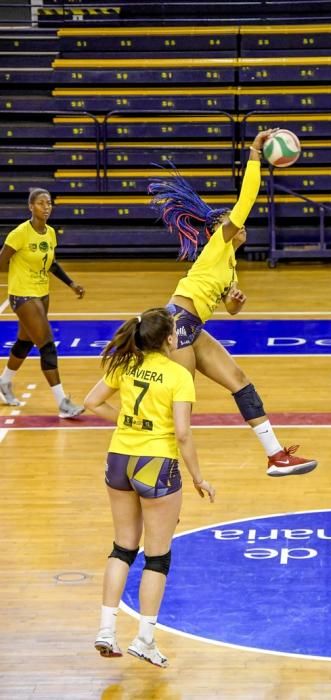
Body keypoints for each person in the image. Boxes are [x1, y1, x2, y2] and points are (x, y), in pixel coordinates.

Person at [148, 129, 318, 477]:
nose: (239, 225)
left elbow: (231, 308)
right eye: (231, 221)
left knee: (239, 380)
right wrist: (255, 152)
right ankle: (156, 463)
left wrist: (236, 299)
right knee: (180, 400)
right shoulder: (217, 246)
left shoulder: (230, 266)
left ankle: (275, 456)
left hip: (193, 327)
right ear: (220, 230)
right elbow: (247, 200)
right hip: (177, 323)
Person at [84, 307, 215, 667]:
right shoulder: (178, 375)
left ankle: (106, 631)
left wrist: (130, 423)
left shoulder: (123, 364)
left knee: (122, 548)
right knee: (157, 557)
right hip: (156, 463)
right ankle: (144, 639)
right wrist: (199, 477)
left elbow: (91, 403)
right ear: (170, 339)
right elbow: (183, 434)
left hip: (119, 459)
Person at [0, 187, 84, 418]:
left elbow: (52, 264)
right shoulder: (19, 233)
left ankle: (4, 381)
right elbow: (1, 262)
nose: (46, 207)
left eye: (48, 203)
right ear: (30, 206)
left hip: (42, 293)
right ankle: (63, 403)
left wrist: (71, 283)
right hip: (23, 295)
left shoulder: (50, 233)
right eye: (40, 203)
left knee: (25, 341)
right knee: (47, 345)